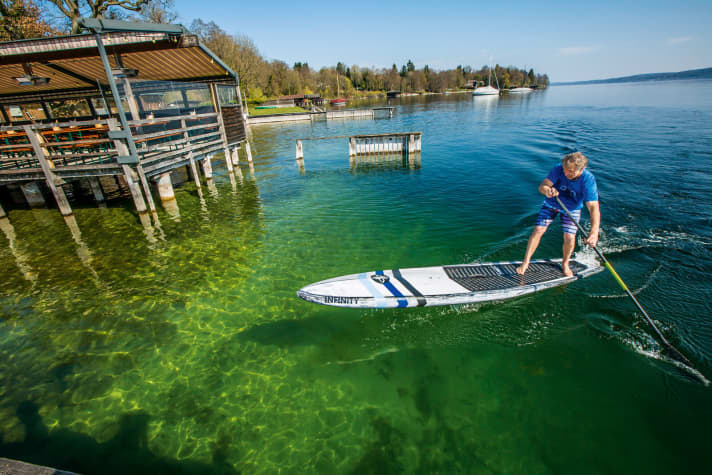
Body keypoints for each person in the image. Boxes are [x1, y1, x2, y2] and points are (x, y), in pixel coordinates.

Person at [516, 152, 600, 277]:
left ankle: (565, 263)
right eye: (565, 170)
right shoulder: (558, 168)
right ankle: (526, 262)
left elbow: (593, 207)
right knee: (538, 229)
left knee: (569, 237)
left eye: (570, 171)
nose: (566, 174)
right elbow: (542, 186)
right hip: (552, 203)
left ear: (581, 169)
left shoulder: (588, 180)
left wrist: (594, 233)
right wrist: (547, 190)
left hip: (571, 209)